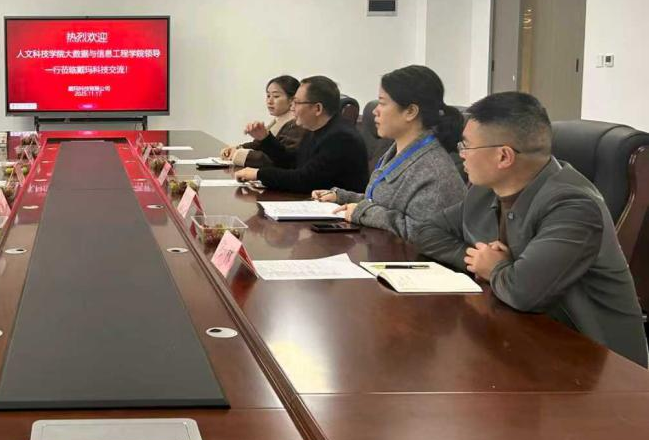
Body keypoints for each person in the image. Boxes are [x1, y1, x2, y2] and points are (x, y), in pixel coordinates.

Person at [414, 92, 647, 367]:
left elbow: (523, 292)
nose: (461, 154)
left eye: (467, 146)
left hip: (596, 364)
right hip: (525, 338)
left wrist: (495, 269)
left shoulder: (573, 205)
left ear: (503, 156)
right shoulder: (485, 191)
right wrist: (478, 260)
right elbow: (426, 231)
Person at [311, 65, 466, 239]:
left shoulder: (434, 172)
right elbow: (383, 202)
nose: (375, 111)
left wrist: (364, 212)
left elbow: (422, 235)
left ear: (410, 112)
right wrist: (342, 197)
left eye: (382, 103)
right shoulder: (398, 151)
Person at [234, 75, 368, 193]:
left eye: (297, 102)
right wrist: (265, 138)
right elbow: (292, 163)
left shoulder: (341, 138)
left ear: (317, 108)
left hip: (338, 210)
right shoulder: (315, 129)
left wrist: (259, 174)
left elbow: (305, 180)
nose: (292, 107)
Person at [220, 75, 305, 167]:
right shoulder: (278, 121)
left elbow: (280, 159)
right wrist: (238, 148)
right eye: (268, 96)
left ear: (292, 100)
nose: (269, 101)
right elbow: (259, 144)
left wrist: (238, 155)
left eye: (276, 96)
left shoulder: (296, 125)